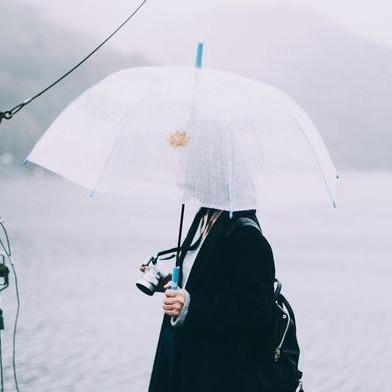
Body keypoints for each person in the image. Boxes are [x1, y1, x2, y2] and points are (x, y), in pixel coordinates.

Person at [147, 207, 276, 392]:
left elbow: (255, 312)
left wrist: (191, 307)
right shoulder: (204, 216)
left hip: (215, 373)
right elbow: (206, 282)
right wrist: (171, 282)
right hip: (180, 361)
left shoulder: (248, 237)